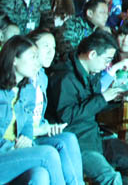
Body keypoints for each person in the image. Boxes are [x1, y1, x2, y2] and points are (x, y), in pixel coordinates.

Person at [47, 30, 128, 185]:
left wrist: (114, 99)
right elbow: (67, 116)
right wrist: (102, 98)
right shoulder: (65, 77)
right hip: (76, 141)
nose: (107, 65)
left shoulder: (91, 73)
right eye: (106, 60)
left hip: (94, 136)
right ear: (92, 54)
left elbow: (92, 107)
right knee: (110, 177)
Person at [0, 35, 69, 185]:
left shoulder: (28, 89)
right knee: (48, 154)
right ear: (14, 59)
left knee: (39, 174)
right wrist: (11, 147)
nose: (37, 63)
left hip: (14, 151)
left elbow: (27, 123)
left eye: (37, 57)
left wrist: (26, 138)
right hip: (4, 152)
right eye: (32, 57)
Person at [28, 30, 84, 185]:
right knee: (53, 151)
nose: (50, 52)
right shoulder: (20, 78)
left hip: (37, 133)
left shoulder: (42, 77)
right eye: (45, 46)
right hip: (24, 138)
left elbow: (37, 115)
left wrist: (48, 126)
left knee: (69, 138)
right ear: (30, 47)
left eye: (53, 47)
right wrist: (41, 129)